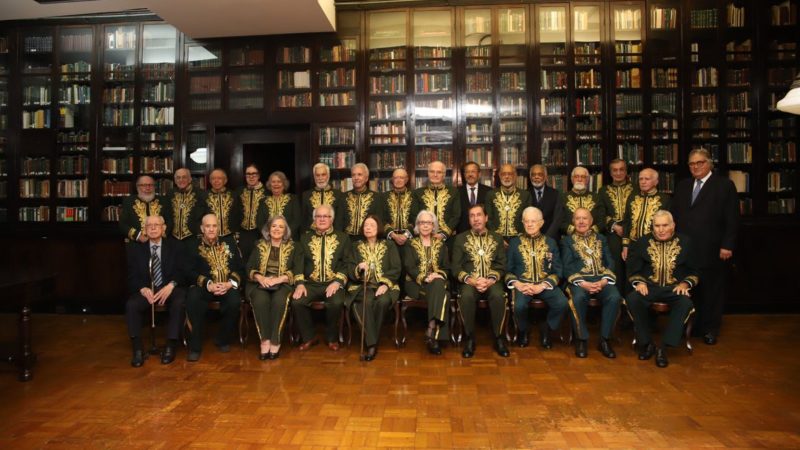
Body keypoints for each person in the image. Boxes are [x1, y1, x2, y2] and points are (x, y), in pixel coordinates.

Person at [670, 148, 739, 345]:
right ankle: (694, 326)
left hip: (713, 248)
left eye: (700, 163)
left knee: (712, 291)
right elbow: (674, 214)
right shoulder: (683, 185)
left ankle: (711, 329)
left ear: (709, 163)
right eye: (692, 164)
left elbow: (732, 219)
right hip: (686, 249)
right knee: (691, 290)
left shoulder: (724, 185)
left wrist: (727, 245)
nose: (695, 167)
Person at [627, 210, 699, 368]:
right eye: (657, 226)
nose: (661, 229)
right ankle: (646, 344)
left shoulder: (686, 242)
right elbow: (633, 271)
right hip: (649, 287)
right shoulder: (642, 242)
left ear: (673, 226)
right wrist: (639, 282)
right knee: (633, 299)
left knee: (685, 304)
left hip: (674, 289)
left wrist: (685, 284)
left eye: (665, 225)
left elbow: (694, 272)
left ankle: (664, 347)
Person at [125, 215, 186, 367]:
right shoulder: (135, 249)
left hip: (169, 288)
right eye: (149, 226)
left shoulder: (175, 246)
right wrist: (142, 288)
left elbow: (183, 272)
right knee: (131, 305)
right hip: (148, 289)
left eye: (156, 225)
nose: (152, 228)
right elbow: (131, 276)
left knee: (179, 301)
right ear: (145, 230)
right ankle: (137, 349)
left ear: (163, 228)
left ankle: (171, 346)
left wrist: (171, 285)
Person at [560, 208, 621, 358]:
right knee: (578, 298)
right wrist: (583, 283)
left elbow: (610, 262)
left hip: (602, 280)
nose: (581, 222)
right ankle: (581, 339)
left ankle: (605, 339)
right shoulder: (566, 241)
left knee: (614, 297)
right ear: (573, 222)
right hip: (579, 282)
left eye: (585, 218)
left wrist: (604, 281)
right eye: (578, 219)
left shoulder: (601, 238)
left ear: (591, 221)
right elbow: (566, 266)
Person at [185, 214, 244, 362]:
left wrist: (230, 283)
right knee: (193, 299)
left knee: (234, 302)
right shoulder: (192, 245)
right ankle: (195, 347)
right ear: (202, 228)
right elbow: (188, 271)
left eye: (214, 226)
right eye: (208, 226)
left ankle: (222, 339)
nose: (211, 229)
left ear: (218, 227)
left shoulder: (229, 242)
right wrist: (208, 284)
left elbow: (240, 268)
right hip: (204, 286)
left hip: (226, 285)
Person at [452, 204, 508, 358]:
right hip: (470, 281)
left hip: (492, 281)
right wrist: (471, 280)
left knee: (498, 296)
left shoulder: (496, 238)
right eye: (472, 216)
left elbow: (502, 265)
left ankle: (498, 338)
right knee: (467, 296)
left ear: (486, 218)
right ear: (469, 220)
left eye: (479, 215)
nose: (476, 219)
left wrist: (490, 280)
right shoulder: (460, 239)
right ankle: (469, 338)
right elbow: (455, 267)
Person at [506, 206, 567, 349]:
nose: (529, 224)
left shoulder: (550, 242)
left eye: (533, 221)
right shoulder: (515, 243)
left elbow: (558, 271)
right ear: (522, 222)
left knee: (562, 303)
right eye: (526, 221)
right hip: (523, 285)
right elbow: (508, 271)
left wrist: (542, 285)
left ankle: (547, 328)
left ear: (541, 223)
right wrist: (518, 284)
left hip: (544, 284)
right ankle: (523, 330)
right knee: (519, 306)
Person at [291, 204, 351, 351]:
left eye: (326, 216)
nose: (322, 219)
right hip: (310, 284)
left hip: (333, 283)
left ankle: (332, 338)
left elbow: (347, 263)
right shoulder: (305, 238)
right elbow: (298, 263)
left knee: (336, 302)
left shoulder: (343, 238)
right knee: (297, 302)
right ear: (314, 219)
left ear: (332, 219)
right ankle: (309, 337)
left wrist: (337, 281)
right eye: (319, 216)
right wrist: (299, 284)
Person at [347, 215, 401, 361]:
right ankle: (372, 344)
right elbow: (349, 267)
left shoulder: (389, 245)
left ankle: (371, 338)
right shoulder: (355, 246)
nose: (368, 228)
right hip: (362, 286)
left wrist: (384, 284)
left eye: (371, 225)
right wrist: (358, 267)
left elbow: (396, 268)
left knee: (383, 302)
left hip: (385, 285)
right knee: (366, 302)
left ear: (378, 228)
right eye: (365, 225)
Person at [245, 215, 300, 360]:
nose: (277, 229)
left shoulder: (294, 247)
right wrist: (260, 277)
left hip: (283, 283)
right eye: (274, 226)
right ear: (268, 229)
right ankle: (265, 341)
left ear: (286, 230)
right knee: (260, 301)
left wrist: (280, 279)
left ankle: (275, 341)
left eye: (281, 226)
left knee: (279, 302)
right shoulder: (259, 245)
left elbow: (298, 269)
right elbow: (249, 267)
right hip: (260, 283)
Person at [403, 210, 451, 355]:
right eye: (422, 223)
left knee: (438, 284)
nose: (425, 226)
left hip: (436, 282)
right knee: (444, 295)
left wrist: (437, 275)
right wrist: (425, 277)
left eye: (429, 223)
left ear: (433, 226)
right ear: (418, 225)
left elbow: (446, 268)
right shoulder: (410, 244)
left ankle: (431, 329)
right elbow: (409, 266)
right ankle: (435, 334)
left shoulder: (441, 244)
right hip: (415, 284)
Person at [598, 159, 634, 290]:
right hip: (613, 233)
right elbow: (600, 214)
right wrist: (615, 226)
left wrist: (628, 228)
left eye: (621, 169)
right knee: (615, 266)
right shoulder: (603, 191)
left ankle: (630, 301)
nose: (618, 173)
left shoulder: (635, 189)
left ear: (626, 171)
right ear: (610, 172)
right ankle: (617, 301)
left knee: (632, 266)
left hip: (633, 232)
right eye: (615, 170)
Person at [621, 168, 671, 261]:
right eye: (641, 179)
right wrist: (625, 245)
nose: (643, 182)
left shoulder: (665, 199)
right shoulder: (632, 197)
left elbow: (669, 225)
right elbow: (627, 222)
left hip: (654, 246)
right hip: (633, 246)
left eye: (647, 179)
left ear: (656, 182)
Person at [411, 161, 460, 241]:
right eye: (432, 172)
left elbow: (456, 216)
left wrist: (444, 234)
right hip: (424, 237)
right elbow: (414, 215)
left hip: (448, 238)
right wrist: (425, 232)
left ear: (444, 175)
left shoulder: (453, 192)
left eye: (439, 172)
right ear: (428, 174)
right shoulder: (418, 193)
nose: (435, 175)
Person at [486, 163, 532, 244]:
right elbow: (488, 219)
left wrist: (519, 239)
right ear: (500, 176)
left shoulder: (525, 195)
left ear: (515, 176)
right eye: (504, 174)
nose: (506, 177)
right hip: (495, 240)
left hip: (519, 240)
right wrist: (497, 238)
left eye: (510, 174)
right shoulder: (491, 195)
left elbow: (528, 219)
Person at [165, 168, 208, 244]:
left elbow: (206, 215)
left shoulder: (201, 194)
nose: (181, 180)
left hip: (194, 238)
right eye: (178, 178)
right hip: (173, 239)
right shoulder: (170, 193)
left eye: (184, 177)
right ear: (175, 181)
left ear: (190, 179)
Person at [120, 175, 167, 243]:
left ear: (154, 187)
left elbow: (169, 222)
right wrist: (138, 236)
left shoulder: (163, 201)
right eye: (143, 185)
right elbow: (123, 224)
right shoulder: (129, 202)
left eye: (150, 185)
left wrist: (160, 235)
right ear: (137, 187)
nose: (147, 188)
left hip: (160, 242)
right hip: (137, 243)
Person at [343, 163, 383, 241]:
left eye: (359, 174)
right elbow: (339, 223)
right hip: (346, 240)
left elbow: (379, 222)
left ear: (366, 178)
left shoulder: (376, 197)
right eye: (353, 175)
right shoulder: (344, 197)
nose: (356, 178)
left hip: (368, 240)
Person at [560, 166, 605, 235]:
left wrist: (591, 231)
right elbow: (560, 221)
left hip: (593, 237)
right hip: (570, 239)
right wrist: (574, 230)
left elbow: (602, 220)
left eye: (583, 177)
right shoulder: (562, 198)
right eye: (576, 176)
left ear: (587, 180)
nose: (579, 179)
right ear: (572, 179)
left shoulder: (596, 197)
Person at [302, 162, 345, 232]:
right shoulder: (306, 195)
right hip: (311, 235)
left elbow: (339, 220)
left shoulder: (338, 195)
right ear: (314, 177)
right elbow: (304, 220)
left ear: (328, 176)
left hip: (333, 235)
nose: (320, 178)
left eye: (323, 175)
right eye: (317, 175)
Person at [383, 168, 418, 250]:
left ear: (406, 180)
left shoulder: (414, 196)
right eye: (395, 178)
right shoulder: (383, 197)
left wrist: (405, 235)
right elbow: (382, 219)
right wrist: (394, 236)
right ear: (392, 180)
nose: (398, 180)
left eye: (401, 178)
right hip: (390, 241)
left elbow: (416, 217)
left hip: (410, 240)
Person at [237, 164, 267, 261]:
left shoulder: (267, 192)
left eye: (254, 174)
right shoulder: (240, 191)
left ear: (259, 175)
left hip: (259, 232)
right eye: (248, 174)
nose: (251, 176)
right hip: (243, 232)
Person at [263, 170, 301, 240]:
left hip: (289, 239)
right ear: (269, 184)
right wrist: (270, 234)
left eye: (279, 182)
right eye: (273, 182)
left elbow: (297, 220)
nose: (276, 184)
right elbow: (260, 221)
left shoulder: (293, 199)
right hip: (268, 239)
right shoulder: (263, 201)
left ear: (284, 184)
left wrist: (284, 234)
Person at [529, 164, 563, 240]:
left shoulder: (555, 194)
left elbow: (557, 219)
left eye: (540, 174)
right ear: (530, 177)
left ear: (545, 176)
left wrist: (547, 238)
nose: (536, 177)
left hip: (551, 238)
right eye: (533, 175)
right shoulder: (526, 194)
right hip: (530, 238)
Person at [206, 168, 241, 239]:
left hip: (231, 236)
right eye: (213, 178)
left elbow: (238, 216)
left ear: (225, 180)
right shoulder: (204, 196)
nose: (216, 181)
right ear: (210, 181)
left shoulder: (234, 195)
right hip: (211, 236)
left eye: (219, 178)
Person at [457, 161, 491, 234]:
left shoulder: (489, 192)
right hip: (462, 234)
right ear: (464, 174)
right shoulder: (456, 192)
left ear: (479, 174)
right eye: (467, 172)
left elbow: (491, 215)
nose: (470, 174)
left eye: (473, 171)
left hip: (484, 233)